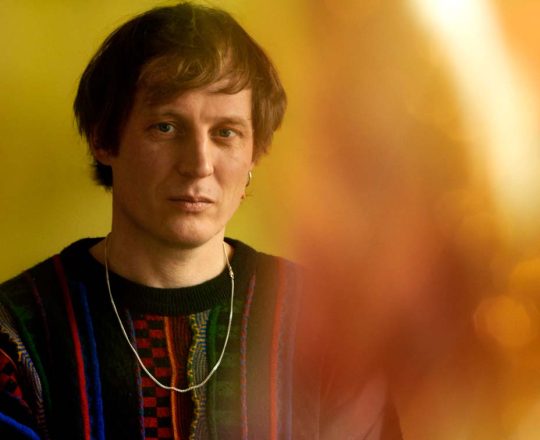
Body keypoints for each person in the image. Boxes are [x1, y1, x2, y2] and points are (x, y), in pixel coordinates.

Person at [0, 2, 402, 439]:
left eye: (225, 133)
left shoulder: (329, 331)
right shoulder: (17, 334)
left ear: (255, 154)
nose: (198, 164)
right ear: (104, 139)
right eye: (166, 127)